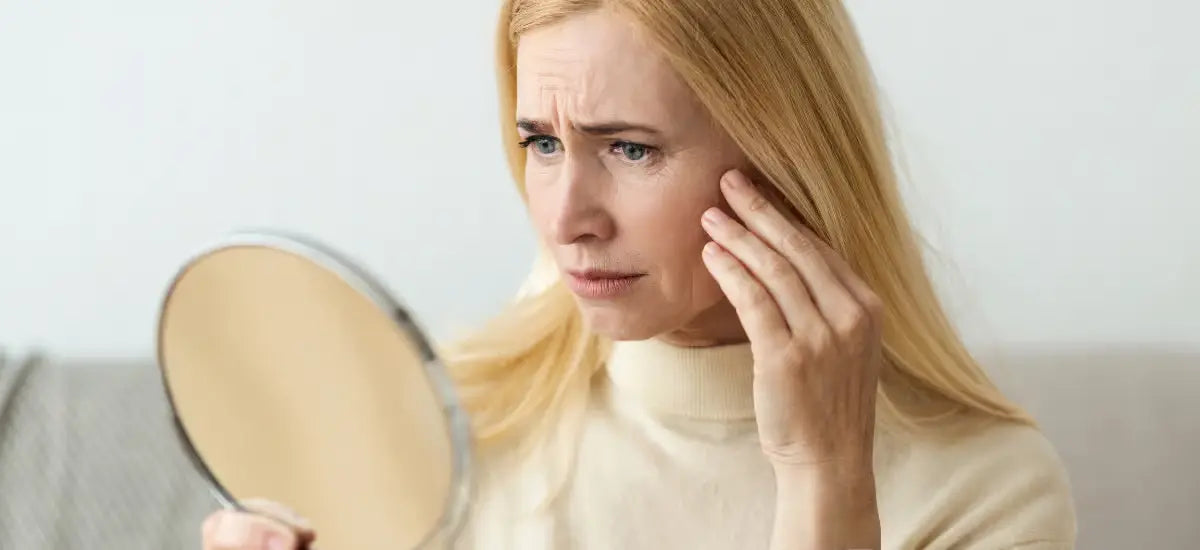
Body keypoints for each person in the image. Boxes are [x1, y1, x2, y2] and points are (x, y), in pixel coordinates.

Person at [201, 0, 1077, 548]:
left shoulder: (986, 495)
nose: (565, 219)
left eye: (629, 148)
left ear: (788, 161)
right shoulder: (450, 430)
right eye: (542, 143)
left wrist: (824, 483)